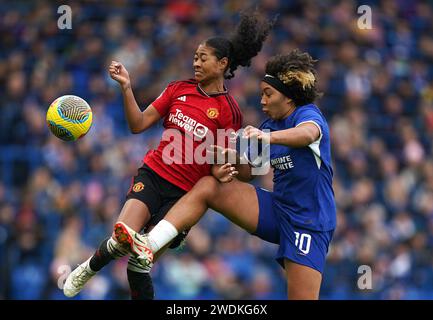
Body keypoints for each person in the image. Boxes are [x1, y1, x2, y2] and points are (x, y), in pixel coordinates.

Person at [62, 10, 275, 300]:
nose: (195, 62)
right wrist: (126, 87)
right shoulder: (178, 89)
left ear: (222, 64)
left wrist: (225, 165)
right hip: (154, 174)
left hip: (184, 197)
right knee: (122, 234)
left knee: (138, 266)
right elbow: (137, 125)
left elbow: (221, 168)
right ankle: (86, 269)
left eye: (203, 57)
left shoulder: (229, 112)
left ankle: (93, 265)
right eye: (195, 56)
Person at [114, 49, 337, 300]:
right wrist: (228, 159)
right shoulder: (267, 126)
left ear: (288, 97)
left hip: (308, 222)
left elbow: (307, 134)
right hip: (277, 209)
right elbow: (250, 172)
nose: (262, 101)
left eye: (268, 94)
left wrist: (267, 138)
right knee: (210, 186)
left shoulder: (306, 114)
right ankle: (150, 245)